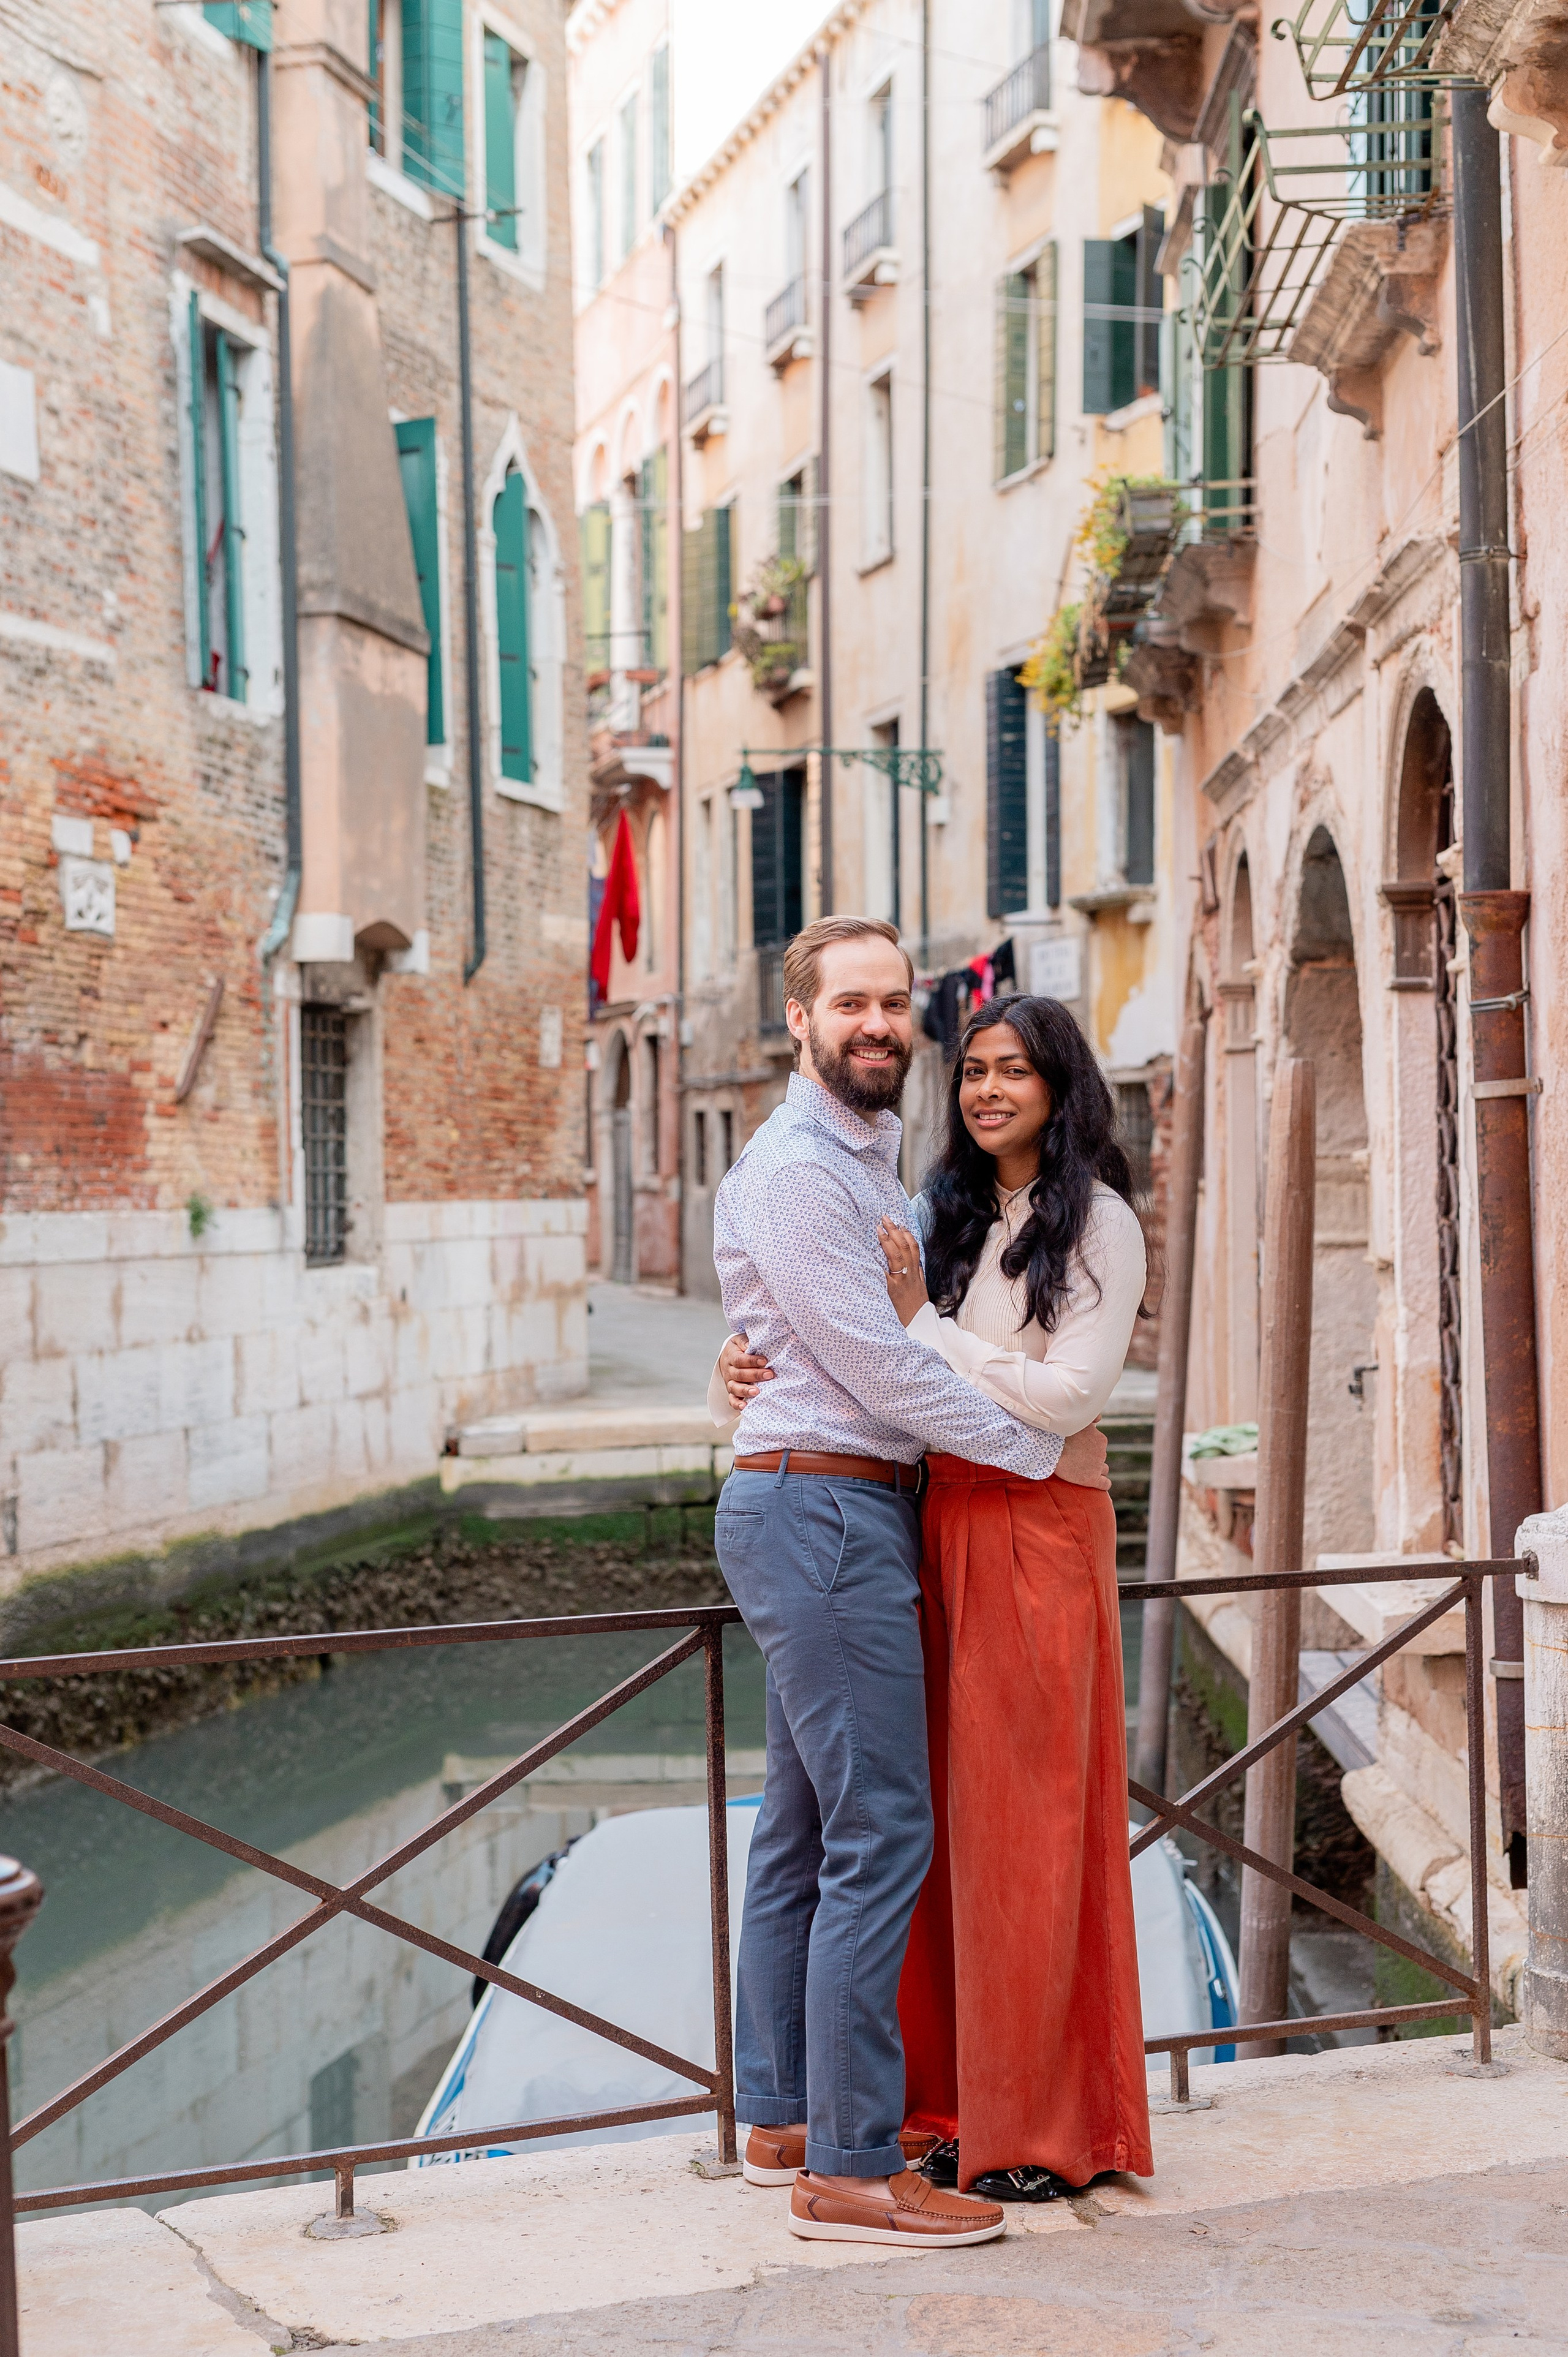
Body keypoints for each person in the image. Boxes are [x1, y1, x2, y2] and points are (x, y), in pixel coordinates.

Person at [720, 992, 1153, 2204]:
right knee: (934, 1838)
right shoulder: (935, 1212)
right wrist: (733, 1367)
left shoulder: (1101, 1224)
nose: (988, 1091)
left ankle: (1037, 2128)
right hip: (930, 1524)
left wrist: (928, 1328)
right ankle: (943, 2112)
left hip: (1034, 1529)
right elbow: (831, 1342)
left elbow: (1067, 1400)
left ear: (1061, 1088)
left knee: (1026, 1832)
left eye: (1015, 1070)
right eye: (972, 1071)